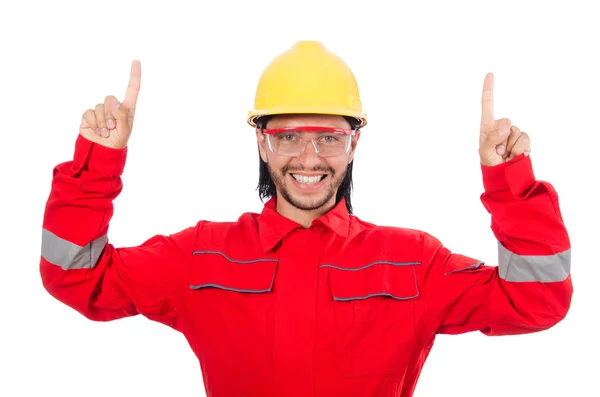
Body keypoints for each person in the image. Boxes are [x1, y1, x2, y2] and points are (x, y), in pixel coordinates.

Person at [40, 40, 572, 397]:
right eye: (288, 136)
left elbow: (535, 301)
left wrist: (511, 184)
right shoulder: (200, 256)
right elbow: (76, 276)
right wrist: (97, 163)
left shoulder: (413, 262)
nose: (309, 157)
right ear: (262, 143)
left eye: (329, 137)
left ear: (354, 142)